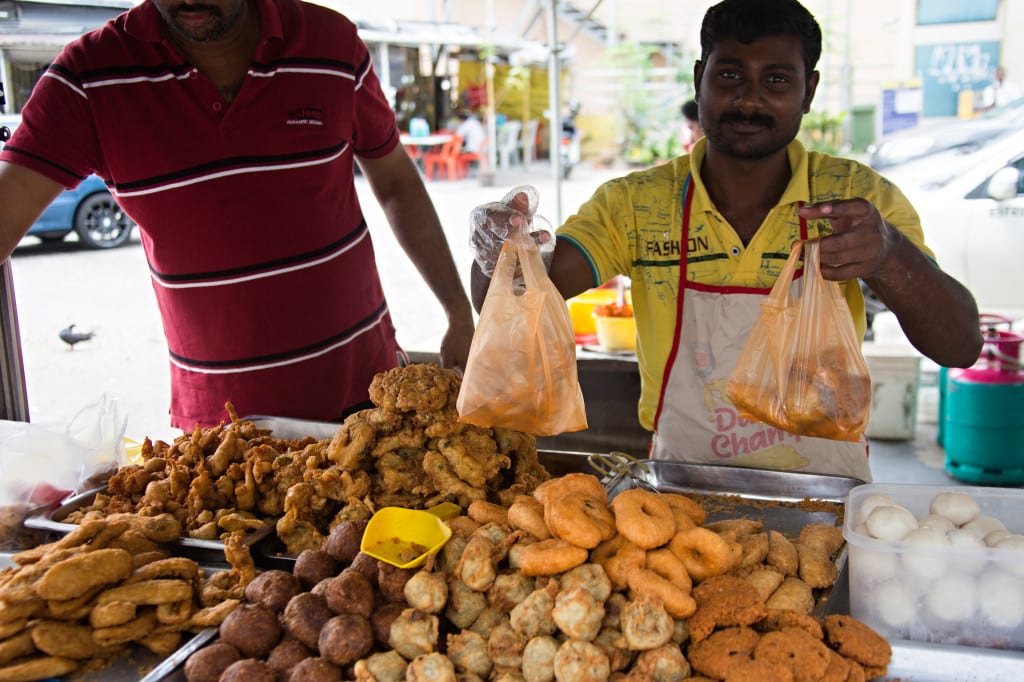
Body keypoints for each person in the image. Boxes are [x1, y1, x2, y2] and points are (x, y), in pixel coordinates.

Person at [470, 0, 983, 481]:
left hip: (825, 491)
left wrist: (890, 255)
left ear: (810, 90)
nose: (750, 98)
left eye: (777, 79)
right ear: (700, 80)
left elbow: (959, 346)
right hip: (683, 491)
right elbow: (511, 300)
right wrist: (500, 249)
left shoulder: (856, 199)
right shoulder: (635, 204)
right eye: (730, 74)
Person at [0, 0, 475, 430]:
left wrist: (457, 310)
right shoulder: (89, 77)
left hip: (366, 397)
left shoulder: (330, 43)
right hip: (225, 427)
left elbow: (396, 184)